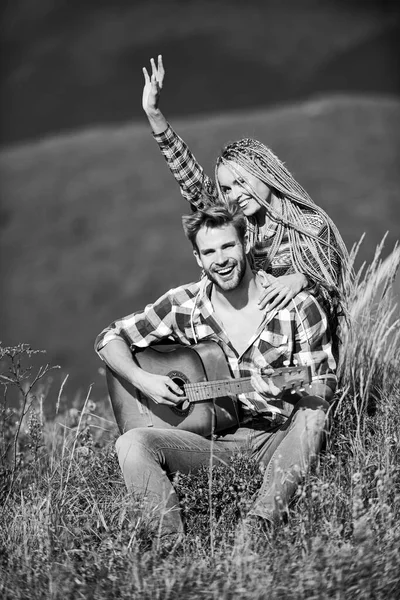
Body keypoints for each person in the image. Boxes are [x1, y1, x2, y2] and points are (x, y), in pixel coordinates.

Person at [95, 201, 337, 542]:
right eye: (209, 251)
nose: (220, 259)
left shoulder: (298, 307)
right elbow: (109, 338)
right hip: (215, 444)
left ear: (246, 242)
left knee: (314, 414)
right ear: (198, 258)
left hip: (280, 438)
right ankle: (168, 546)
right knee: (131, 442)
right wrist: (144, 380)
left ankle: (259, 525)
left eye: (228, 246)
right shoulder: (183, 305)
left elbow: (323, 383)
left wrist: (292, 393)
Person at [142, 55, 350, 358]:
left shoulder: (311, 224)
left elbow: (331, 287)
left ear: (266, 173)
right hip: (241, 352)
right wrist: (154, 113)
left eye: (242, 182)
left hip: (302, 356)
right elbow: (190, 178)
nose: (234, 194)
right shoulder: (233, 221)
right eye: (226, 187)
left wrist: (302, 279)